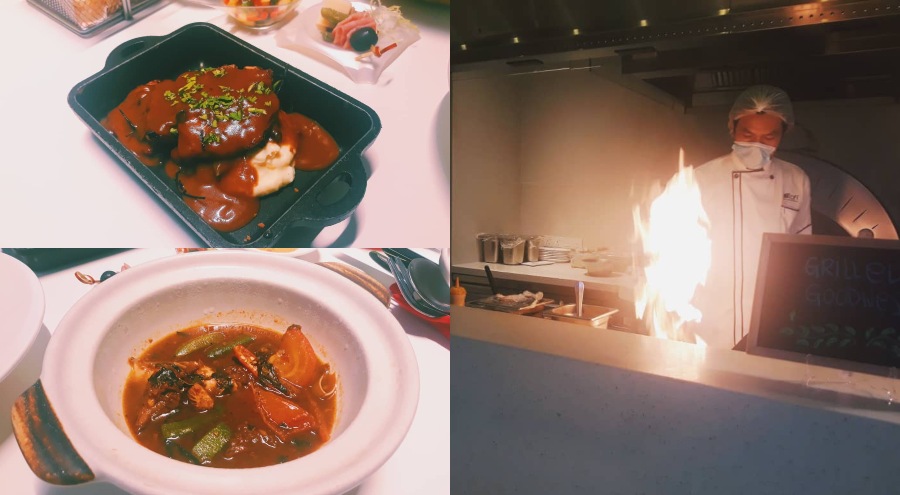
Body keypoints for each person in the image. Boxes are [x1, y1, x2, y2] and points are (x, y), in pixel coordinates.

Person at [689, 85, 812, 349]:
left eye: (769, 137)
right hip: (713, 312)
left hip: (772, 308)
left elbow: (802, 250)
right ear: (732, 128)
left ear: (782, 135)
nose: (757, 144)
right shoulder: (701, 178)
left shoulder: (796, 178)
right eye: (748, 134)